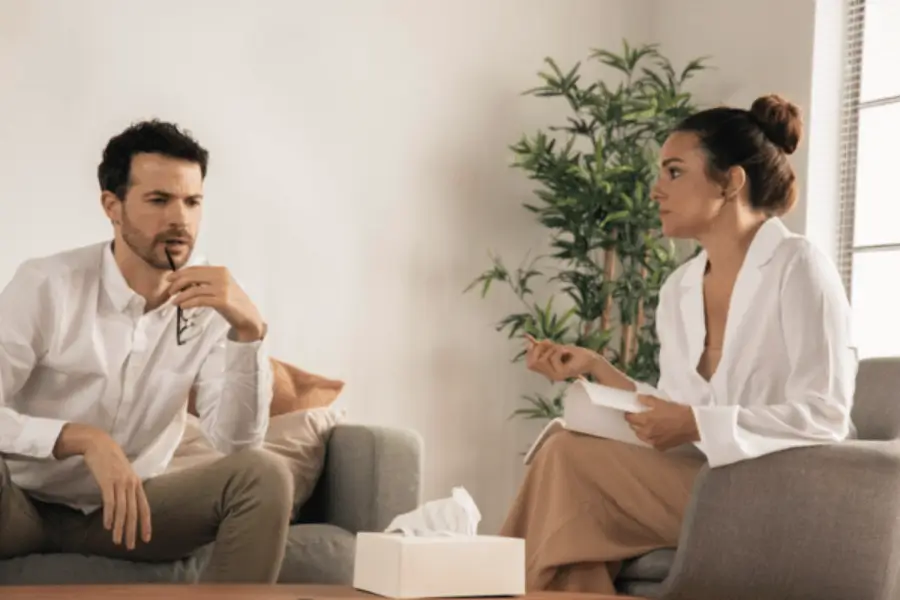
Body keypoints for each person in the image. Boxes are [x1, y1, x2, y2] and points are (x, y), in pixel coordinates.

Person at [500, 94, 858, 593]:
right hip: (702, 478)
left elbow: (827, 415)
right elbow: (676, 411)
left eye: (674, 172)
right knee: (568, 478)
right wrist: (597, 368)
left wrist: (697, 423)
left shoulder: (798, 266)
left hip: (776, 491)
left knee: (566, 462)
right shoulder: (679, 288)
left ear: (731, 182)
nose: (655, 190)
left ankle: (487, 583)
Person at [0, 120, 293, 582]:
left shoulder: (214, 302)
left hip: (129, 517)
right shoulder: (47, 285)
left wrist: (249, 332)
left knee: (265, 474)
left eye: (192, 202)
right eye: (159, 200)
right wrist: (81, 438)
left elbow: (236, 445)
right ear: (112, 207)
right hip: (19, 507)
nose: (180, 219)